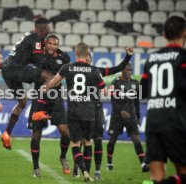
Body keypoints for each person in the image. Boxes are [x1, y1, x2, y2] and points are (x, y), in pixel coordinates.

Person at [46, 42, 105, 182]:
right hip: (89, 111)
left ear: (76, 53)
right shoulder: (94, 70)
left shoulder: (67, 67)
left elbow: (53, 83)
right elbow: (105, 91)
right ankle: (88, 174)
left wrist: (45, 89)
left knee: (75, 143)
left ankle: (83, 171)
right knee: (88, 142)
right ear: (87, 54)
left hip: (73, 112)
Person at [72, 48, 134, 180]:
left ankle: (97, 171)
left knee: (98, 141)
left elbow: (117, 68)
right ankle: (78, 166)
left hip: (97, 109)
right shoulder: (75, 70)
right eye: (86, 56)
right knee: (83, 140)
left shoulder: (97, 71)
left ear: (91, 58)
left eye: (89, 56)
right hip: (83, 109)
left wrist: (128, 57)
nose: (87, 58)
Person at [140, 16, 186, 184]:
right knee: (183, 173)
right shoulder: (182, 56)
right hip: (176, 121)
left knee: (156, 175)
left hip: (153, 121)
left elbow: (143, 92)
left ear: (164, 35)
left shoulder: (151, 58)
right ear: (185, 33)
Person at [0, 18, 53, 150]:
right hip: (16, 70)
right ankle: (39, 109)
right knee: (50, 77)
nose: (49, 31)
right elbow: (39, 61)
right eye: (47, 29)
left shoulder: (29, 36)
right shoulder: (35, 40)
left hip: (7, 70)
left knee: (22, 102)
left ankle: (7, 132)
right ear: (41, 29)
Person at [27, 34, 71, 177]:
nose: (52, 46)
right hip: (39, 99)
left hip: (55, 99)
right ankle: (35, 167)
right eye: (50, 43)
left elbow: (61, 77)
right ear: (45, 44)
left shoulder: (64, 58)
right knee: (36, 134)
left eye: (55, 44)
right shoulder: (38, 57)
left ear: (58, 45)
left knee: (65, 132)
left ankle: (63, 156)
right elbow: (36, 74)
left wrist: (49, 85)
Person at [105, 63, 149, 172]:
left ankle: (143, 164)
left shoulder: (135, 83)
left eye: (131, 70)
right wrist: (121, 112)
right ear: (122, 70)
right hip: (117, 117)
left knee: (136, 139)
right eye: (127, 70)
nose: (129, 72)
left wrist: (138, 116)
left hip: (131, 116)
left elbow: (136, 102)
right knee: (112, 141)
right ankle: (109, 162)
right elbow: (113, 101)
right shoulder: (115, 83)